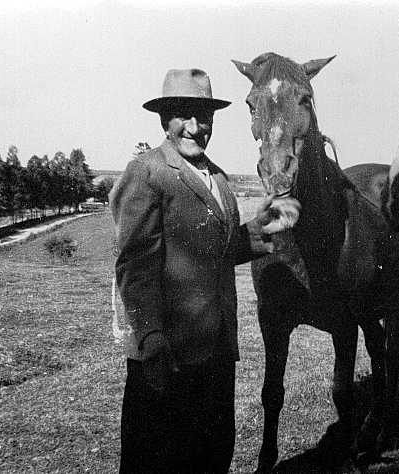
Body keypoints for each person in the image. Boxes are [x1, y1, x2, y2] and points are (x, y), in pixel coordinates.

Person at [110, 68, 300, 474]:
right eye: (184, 115)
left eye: (205, 117)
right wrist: (149, 336)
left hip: (216, 355)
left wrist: (259, 227)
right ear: (166, 120)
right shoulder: (147, 172)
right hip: (166, 358)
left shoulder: (219, 179)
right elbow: (135, 264)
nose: (196, 128)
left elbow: (217, 252)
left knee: (212, 457)